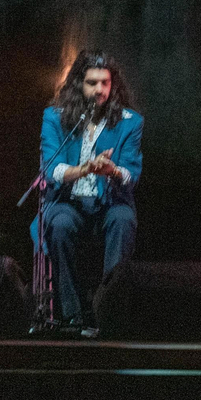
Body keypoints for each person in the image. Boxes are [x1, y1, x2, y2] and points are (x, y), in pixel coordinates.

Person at [38, 50, 142, 331]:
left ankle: (109, 309)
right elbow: (53, 169)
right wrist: (84, 169)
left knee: (123, 220)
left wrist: (112, 171)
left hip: (109, 202)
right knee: (59, 224)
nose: (99, 90)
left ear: (113, 85)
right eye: (92, 83)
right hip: (68, 201)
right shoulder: (54, 118)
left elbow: (131, 175)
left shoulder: (130, 122)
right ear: (78, 85)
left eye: (105, 83)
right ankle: (72, 314)